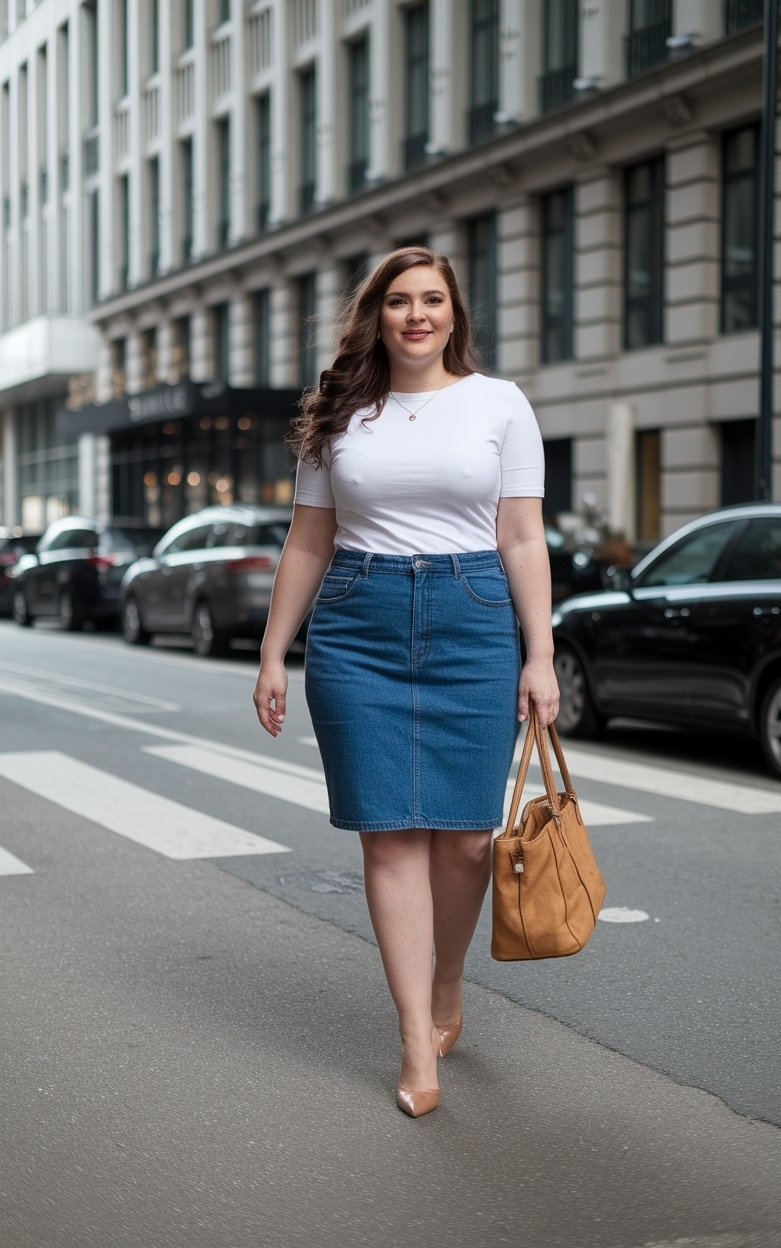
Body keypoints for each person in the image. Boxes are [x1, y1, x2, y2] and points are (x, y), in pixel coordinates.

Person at [253, 247, 559, 1117]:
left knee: (464, 842)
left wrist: (540, 654)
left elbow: (521, 535)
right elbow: (309, 540)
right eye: (398, 300)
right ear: (377, 315)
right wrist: (274, 651)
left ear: (454, 313)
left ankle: (447, 980)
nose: (416, 314)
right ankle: (415, 1037)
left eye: (432, 299)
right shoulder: (341, 412)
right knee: (389, 838)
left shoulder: (500, 404)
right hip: (359, 622)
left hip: (474, 620)